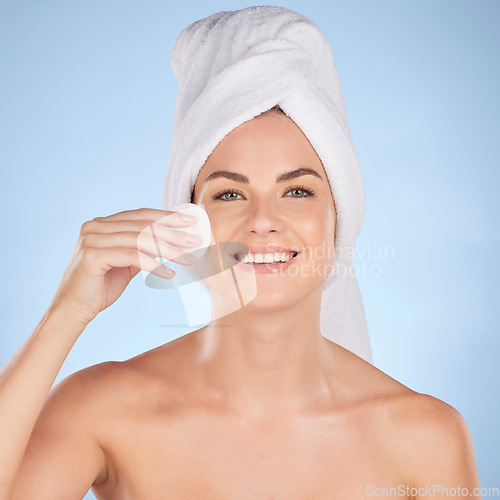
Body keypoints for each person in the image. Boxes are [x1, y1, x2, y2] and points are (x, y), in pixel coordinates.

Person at [1, 7, 480, 500]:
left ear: (341, 218)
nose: (263, 220)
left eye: (297, 191)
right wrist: (66, 314)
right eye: (230, 194)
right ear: (188, 220)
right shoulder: (101, 411)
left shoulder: (426, 438)